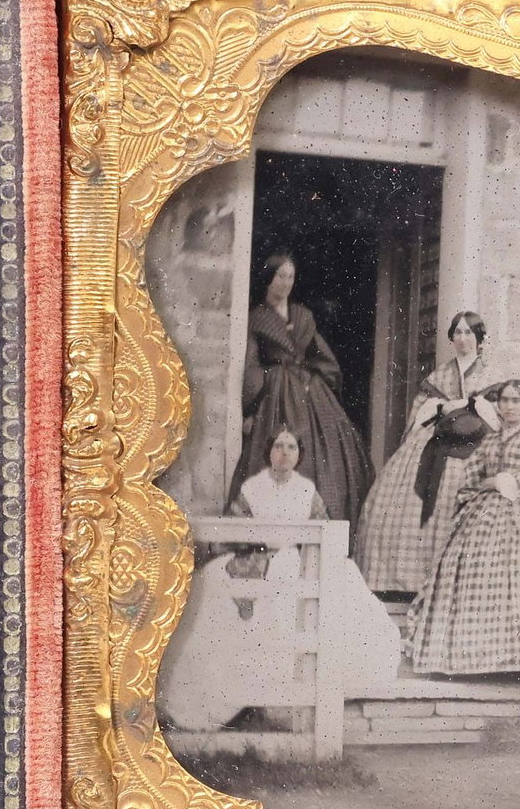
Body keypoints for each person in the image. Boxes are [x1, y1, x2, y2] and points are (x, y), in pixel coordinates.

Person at [159, 428, 401, 730]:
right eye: (278, 446)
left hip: (292, 558)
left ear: (299, 455)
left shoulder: (306, 490)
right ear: (268, 452)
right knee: (216, 588)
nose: (284, 453)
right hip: (255, 556)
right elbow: (234, 530)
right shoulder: (252, 487)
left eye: (290, 447)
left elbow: (322, 528)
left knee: (330, 584)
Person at [405, 380, 520, 680]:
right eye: (504, 401)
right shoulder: (489, 442)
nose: (509, 406)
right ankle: (476, 658)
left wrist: (516, 484)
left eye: (517, 401)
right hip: (485, 516)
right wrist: (490, 484)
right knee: (476, 571)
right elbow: (471, 480)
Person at [354, 311, 496, 595]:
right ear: (451, 338)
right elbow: (421, 412)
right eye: (458, 332)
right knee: (400, 498)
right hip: (436, 437)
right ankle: (408, 579)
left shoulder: (490, 374)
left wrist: (473, 407)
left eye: (469, 332)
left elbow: (496, 416)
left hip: (475, 442)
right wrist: (440, 408)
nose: (463, 338)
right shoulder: (439, 375)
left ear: (480, 338)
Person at [230, 253, 374, 527]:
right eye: (279, 276)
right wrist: (250, 406)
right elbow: (250, 363)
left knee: (328, 451)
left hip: (310, 391)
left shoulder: (302, 315)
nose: (285, 283)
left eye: (290, 277)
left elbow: (321, 354)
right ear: (269, 279)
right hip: (274, 390)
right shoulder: (257, 318)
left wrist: (316, 376)